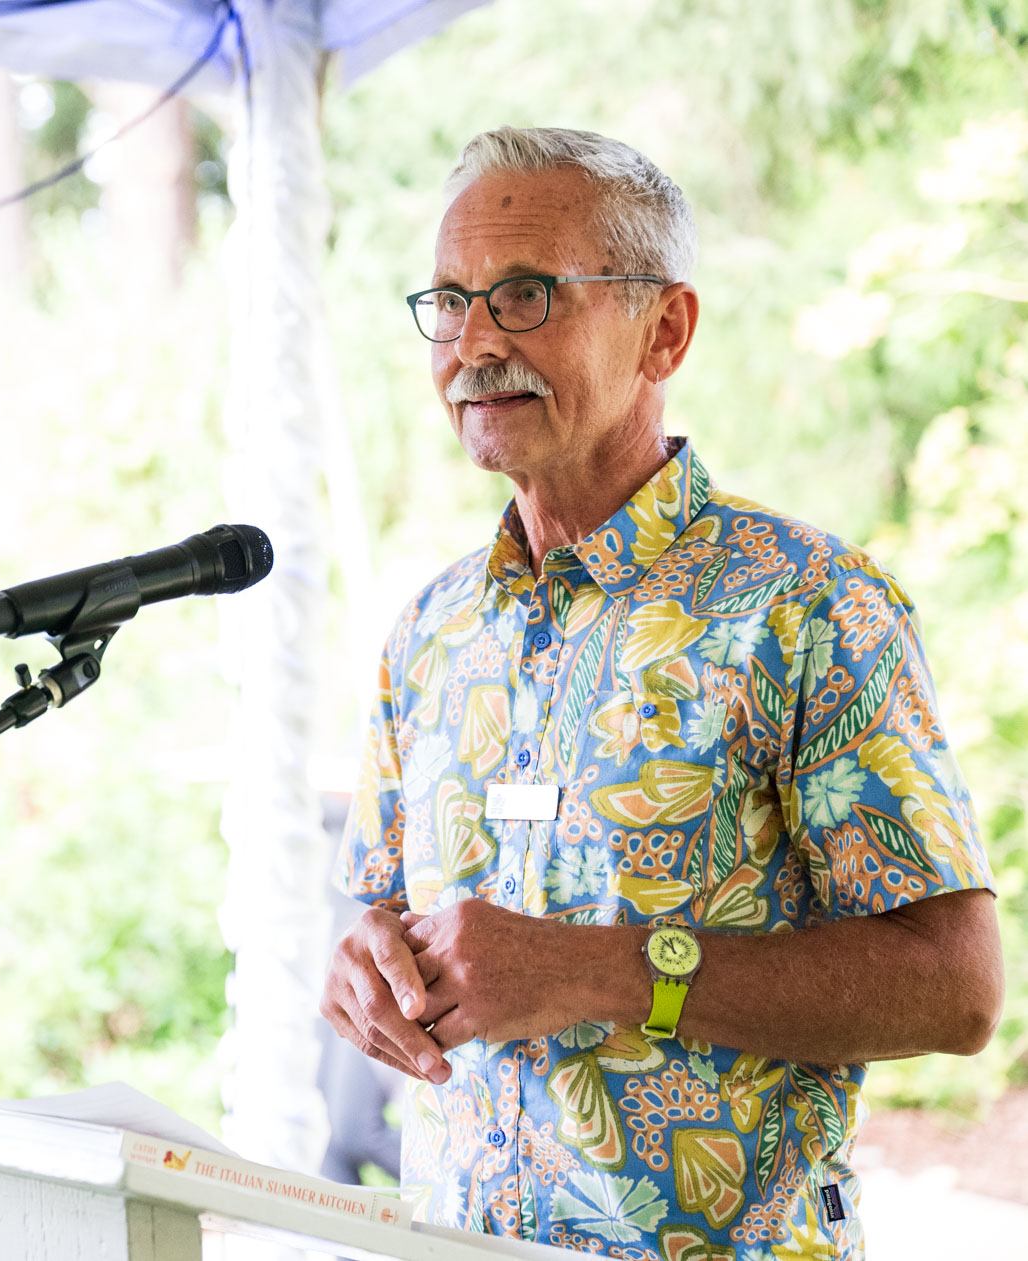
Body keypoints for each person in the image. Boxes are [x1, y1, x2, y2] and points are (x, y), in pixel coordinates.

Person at [321, 126, 1002, 1260]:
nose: (472, 342)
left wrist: (594, 970)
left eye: (525, 294)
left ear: (664, 330)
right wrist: (363, 970)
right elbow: (380, 913)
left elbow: (953, 989)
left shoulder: (804, 606)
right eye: (446, 300)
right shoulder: (430, 633)